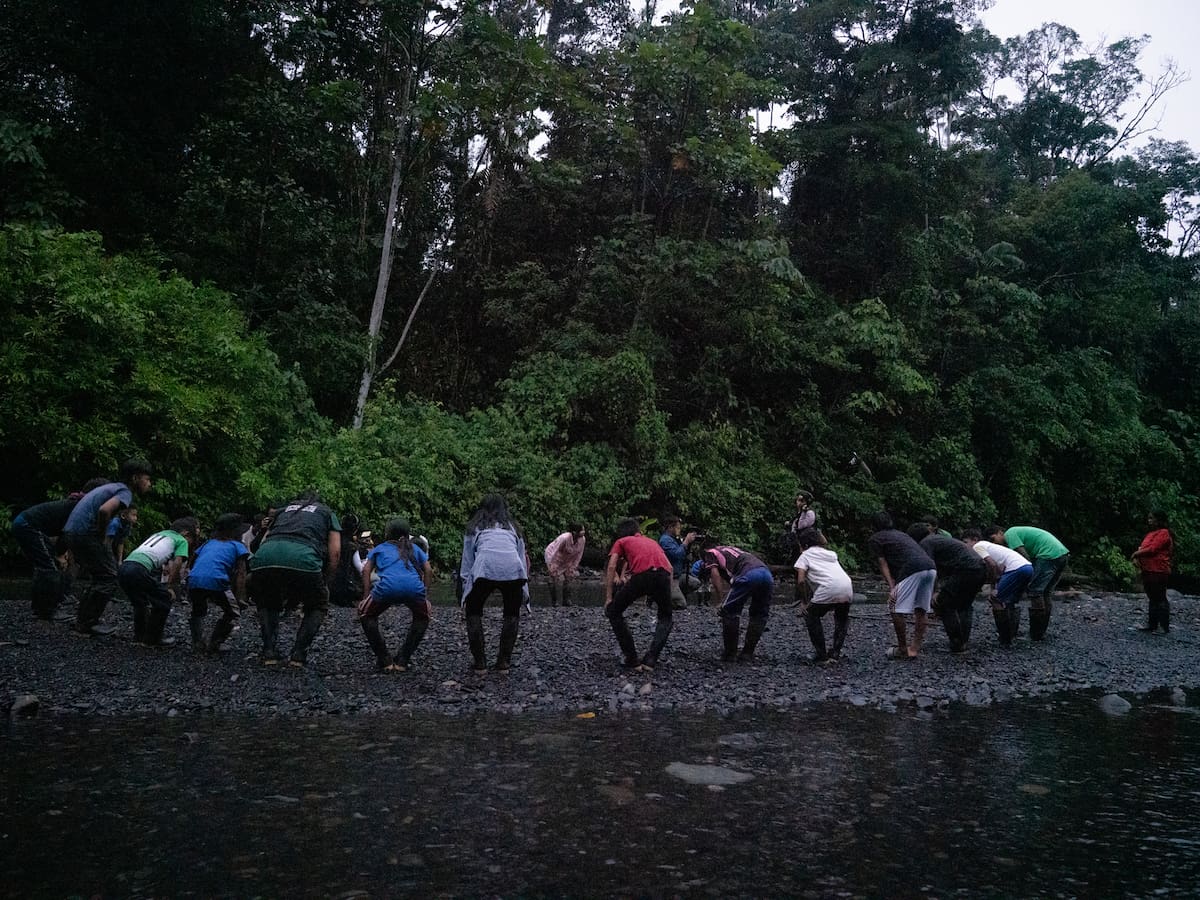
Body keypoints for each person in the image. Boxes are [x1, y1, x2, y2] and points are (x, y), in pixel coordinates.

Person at [249, 492, 342, 667]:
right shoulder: (327, 513)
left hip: (265, 556)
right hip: (304, 558)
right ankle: (298, 654)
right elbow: (335, 552)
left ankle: (269, 651)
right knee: (318, 604)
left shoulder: (282, 511)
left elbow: (262, 542)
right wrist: (326, 580)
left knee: (268, 602)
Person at [64, 459, 154, 636]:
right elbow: (105, 510)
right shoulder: (124, 492)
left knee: (101, 576)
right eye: (147, 479)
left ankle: (82, 621)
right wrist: (101, 534)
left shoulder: (112, 487)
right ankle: (87, 623)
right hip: (85, 533)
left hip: (71, 531)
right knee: (108, 577)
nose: (149, 484)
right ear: (135, 478)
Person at [460, 494, 529, 674]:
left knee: (473, 612)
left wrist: (465, 591)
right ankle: (503, 662)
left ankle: (480, 663)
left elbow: (467, 562)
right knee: (512, 614)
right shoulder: (513, 528)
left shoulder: (475, 527)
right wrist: (525, 592)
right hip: (513, 568)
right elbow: (521, 559)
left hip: (484, 568)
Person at [359, 518, 434, 671]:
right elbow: (428, 570)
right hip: (414, 589)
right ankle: (403, 659)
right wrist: (424, 594)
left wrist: (366, 596)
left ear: (387, 534)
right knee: (422, 618)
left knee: (366, 615)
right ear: (407, 535)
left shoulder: (380, 548)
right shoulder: (415, 548)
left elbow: (366, 570)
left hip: (387, 588)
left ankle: (384, 659)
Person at [11, 485, 94, 621]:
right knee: (49, 568)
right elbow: (68, 534)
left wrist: (61, 552)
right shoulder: (79, 508)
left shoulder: (78, 505)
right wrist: (60, 555)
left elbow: (64, 533)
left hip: (27, 525)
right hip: (28, 526)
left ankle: (39, 608)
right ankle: (47, 611)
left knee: (44, 567)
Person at [604, 518, 674, 671]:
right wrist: (666, 594)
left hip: (642, 576)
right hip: (662, 575)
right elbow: (669, 567)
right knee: (666, 617)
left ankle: (632, 659)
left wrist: (609, 598)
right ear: (638, 531)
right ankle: (650, 659)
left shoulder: (622, 541)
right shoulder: (652, 542)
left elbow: (611, 566)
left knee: (614, 612)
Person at [117, 516, 199, 646]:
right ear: (185, 533)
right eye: (192, 539)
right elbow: (178, 563)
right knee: (164, 598)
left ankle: (140, 636)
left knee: (140, 602)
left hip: (124, 567)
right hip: (138, 569)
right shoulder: (181, 540)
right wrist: (170, 586)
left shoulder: (160, 534)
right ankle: (153, 639)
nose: (190, 543)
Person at [907, 523, 987, 653]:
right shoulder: (940, 539)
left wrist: (935, 592)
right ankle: (963, 642)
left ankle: (956, 642)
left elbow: (931, 567)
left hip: (965, 569)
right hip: (980, 568)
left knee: (943, 604)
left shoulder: (925, 543)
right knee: (964, 605)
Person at [868, 512, 936, 660]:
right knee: (921, 609)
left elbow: (882, 563)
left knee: (894, 606)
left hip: (912, 568)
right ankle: (914, 648)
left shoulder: (876, 538)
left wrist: (891, 585)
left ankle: (902, 649)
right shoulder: (902, 534)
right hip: (930, 567)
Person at [701, 539, 774, 663]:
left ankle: (730, 654)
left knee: (729, 612)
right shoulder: (731, 550)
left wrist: (720, 600)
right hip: (766, 574)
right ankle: (747, 653)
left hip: (748, 574)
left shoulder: (710, 552)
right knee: (759, 614)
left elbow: (715, 575)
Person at [991, 525, 1069, 641]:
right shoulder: (1017, 532)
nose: (994, 543)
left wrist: (1028, 576)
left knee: (1035, 592)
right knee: (1045, 592)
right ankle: (1040, 632)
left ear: (1000, 533)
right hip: (1061, 554)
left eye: (993, 539)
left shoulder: (1010, 534)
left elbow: (1024, 556)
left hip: (1048, 554)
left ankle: (1036, 633)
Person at [188, 513, 251, 653]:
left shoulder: (208, 543)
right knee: (233, 612)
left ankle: (197, 642)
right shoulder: (237, 546)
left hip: (194, 579)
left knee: (198, 611)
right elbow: (241, 573)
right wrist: (240, 597)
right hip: (217, 580)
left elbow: (192, 562)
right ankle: (215, 642)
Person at [962, 528, 1034, 647]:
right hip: (1028, 567)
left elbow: (992, 564)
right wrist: (994, 584)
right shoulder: (989, 546)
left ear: (974, 539)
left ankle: (1005, 638)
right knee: (1010, 601)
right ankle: (1012, 634)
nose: (965, 546)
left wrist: (994, 586)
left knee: (996, 599)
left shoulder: (978, 546)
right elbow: (998, 567)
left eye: (966, 542)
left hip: (1016, 568)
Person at [793, 527, 853, 664]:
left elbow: (801, 581)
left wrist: (804, 601)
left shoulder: (805, 556)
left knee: (810, 615)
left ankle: (821, 654)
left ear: (804, 544)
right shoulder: (831, 554)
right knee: (841, 619)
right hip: (846, 586)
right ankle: (835, 652)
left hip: (828, 588)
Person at [1132, 510, 1173, 634]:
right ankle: (1152, 624)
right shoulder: (1150, 534)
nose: (1149, 521)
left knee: (1159, 597)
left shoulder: (1164, 533)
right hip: (1148, 569)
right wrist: (1137, 557)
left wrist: (1136, 554)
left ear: (1158, 520)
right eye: (1149, 518)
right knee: (1152, 598)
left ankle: (1163, 626)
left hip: (1158, 570)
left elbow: (1152, 549)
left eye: (1151, 518)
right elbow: (1144, 547)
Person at [658, 516, 700, 610]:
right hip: (669, 578)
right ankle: (662, 597)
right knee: (681, 604)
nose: (679, 530)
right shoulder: (665, 540)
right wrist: (686, 542)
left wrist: (688, 552)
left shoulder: (674, 540)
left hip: (678, 576)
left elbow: (681, 557)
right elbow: (676, 555)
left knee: (695, 583)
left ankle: (675, 593)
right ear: (670, 527)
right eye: (677, 527)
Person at [544, 523, 587, 607]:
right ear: (574, 532)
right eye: (582, 530)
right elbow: (554, 550)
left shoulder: (582, 540)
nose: (583, 532)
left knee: (569, 576)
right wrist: (550, 564)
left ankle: (567, 600)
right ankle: (554, 601)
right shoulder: (564, 538)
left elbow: (579, 554)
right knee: (553, 577)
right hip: (554, 556)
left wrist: (574, 566)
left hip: (568, 558)